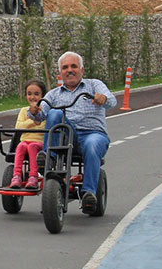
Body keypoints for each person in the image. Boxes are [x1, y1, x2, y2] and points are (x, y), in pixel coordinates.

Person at [30, 51, 116, 214]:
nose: (69, 70)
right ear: (60, 73)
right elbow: (40, 116)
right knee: (54, 113)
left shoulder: (94, 85)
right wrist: (34, 111)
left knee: (92, 145)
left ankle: (88, 193)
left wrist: (103, 98)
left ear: (82, 70)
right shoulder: (53, 94)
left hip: (92, 134)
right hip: (66, 136)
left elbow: (112, 100)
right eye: (65, 67)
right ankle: (48, 158)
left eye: (74, 66)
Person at [9, 79, 47, 190]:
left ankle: (33, 176)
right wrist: (32, 121)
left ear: (42, 96)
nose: (32, 97)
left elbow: (45, 126)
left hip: (40, 143)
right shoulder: (24, 111)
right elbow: (19, 127)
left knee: (32, 146)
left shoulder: (44, 111)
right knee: (21, 146)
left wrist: (37, 118)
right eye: (29, 94)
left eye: (36, 94)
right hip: (25, 141)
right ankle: (16, 175)